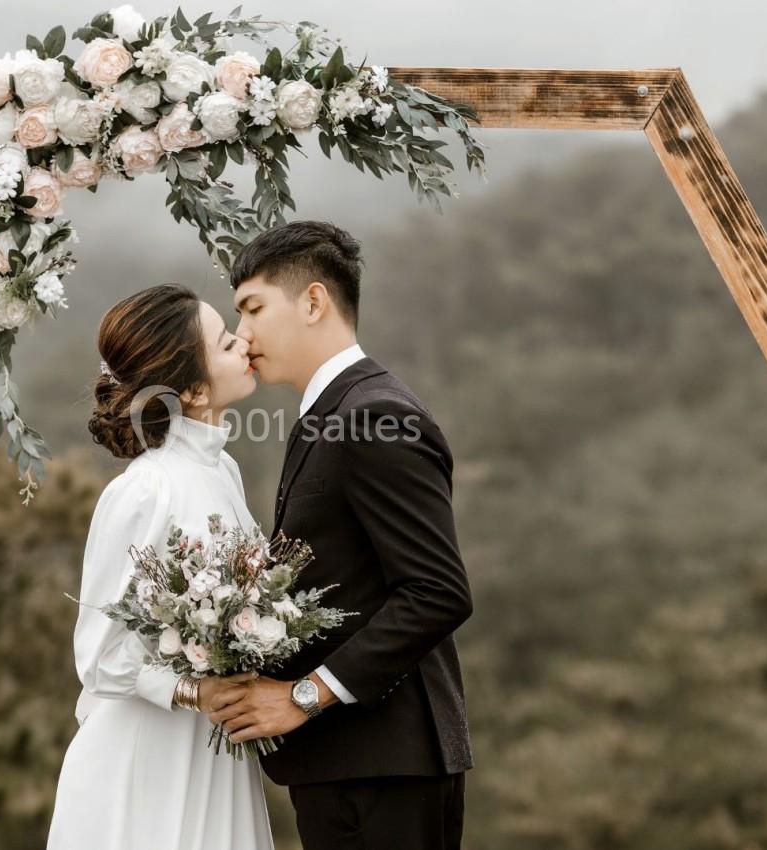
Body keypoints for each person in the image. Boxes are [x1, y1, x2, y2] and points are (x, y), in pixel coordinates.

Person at [208, 220, 475, 849]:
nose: (242, 333)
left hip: (389, 767)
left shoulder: (375, 413)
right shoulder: (326, 415)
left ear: (313, 301)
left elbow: (438, 592)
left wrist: (303, 696)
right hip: (345, 764)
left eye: (252, 308)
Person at [45, 283, 274, 850]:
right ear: (194, 389)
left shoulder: (225, 473)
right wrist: (194, 692)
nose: (244, 342)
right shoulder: (144, 490)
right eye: (225, 342)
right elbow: (96, 657)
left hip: (214, 752)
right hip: (148, 759)